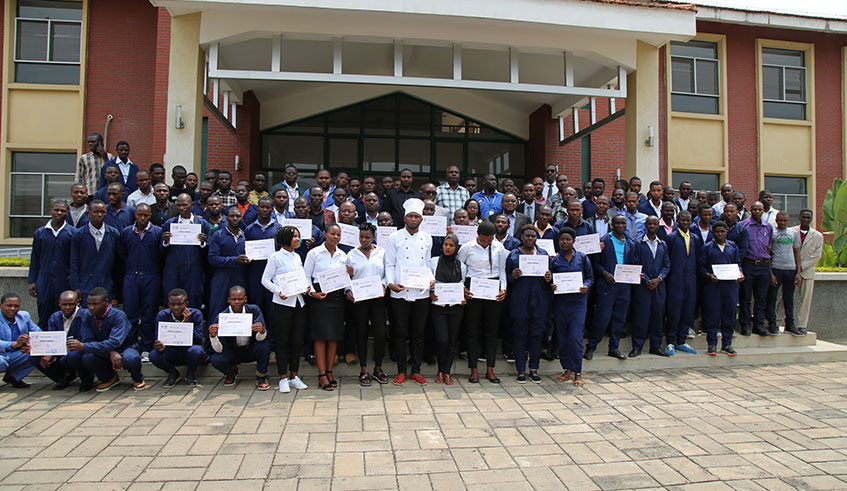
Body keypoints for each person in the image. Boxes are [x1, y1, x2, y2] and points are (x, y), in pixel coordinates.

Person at [384, 199, 433, 386]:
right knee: (400, 332)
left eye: (416, 217)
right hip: (400, 292)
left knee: (418, 333)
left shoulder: (427, 238)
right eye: (410, 216)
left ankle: (416, 370)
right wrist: (390, 283)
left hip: (421, 293)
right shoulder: (394, 237)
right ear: (404, 218)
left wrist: (431, 279)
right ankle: (401, 370)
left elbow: (427, 264)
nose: (413, 219)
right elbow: (389, 264)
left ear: (421, 219)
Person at [65, 288, 145, 391]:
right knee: (87, 357)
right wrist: (109, 352)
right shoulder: (87, 316)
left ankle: (138, 379)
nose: (91, 307)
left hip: (123, 348)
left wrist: (84, 346)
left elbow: (115, 342)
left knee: (131, 359)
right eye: (89, 304)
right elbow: (88, 339)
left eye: (95, 304)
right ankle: (109, 378)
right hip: (101, 349)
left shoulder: (118, 316)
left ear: (106, 302)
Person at [261, 226, 310, 393]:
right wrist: (278, 291)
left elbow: (301, 277)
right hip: (282, 305)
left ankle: (294, 376)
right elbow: (265, 280)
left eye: (299, 236)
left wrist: (306, 287)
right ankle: (283, 377)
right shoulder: (275, 257)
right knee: (282, 342)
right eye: (294, 236)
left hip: (298, 303)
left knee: (297, 341)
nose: (298, 239)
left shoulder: (297, 256)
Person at [458, 220, 507, 384]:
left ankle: (490, 369)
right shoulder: (467, 248)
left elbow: (502, 270)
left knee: (491, 331)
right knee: (472, 330)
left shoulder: (499, 248)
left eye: (489, 240)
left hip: (492, 287)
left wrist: (503, 288)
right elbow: (460, 270)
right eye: (483, 240)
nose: (486, 243)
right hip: (473, 288)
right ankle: (473, 369)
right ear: (477, 235)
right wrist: (462, 288)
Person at [304, 223, 349, 391]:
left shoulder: (343, 255)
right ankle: (322, 374)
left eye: (338, 235)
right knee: (321, 337)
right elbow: (306, 276)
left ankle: (330, 371)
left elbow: (345, 280)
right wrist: (312, 293)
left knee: (333, 337)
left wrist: (348, 289)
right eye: (332, 234)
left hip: (337, 299)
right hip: (320, 298)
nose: (335, 237)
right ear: (325, 234)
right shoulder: (314, 253)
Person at [505, 224, 552, 383]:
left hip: (539, 300)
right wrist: (513, 276)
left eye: (533, 236)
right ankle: (520, 369)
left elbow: (551, 279)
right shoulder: (513, 255)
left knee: (537, 334)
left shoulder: (543, 254)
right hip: (520, 300)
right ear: (521, 237)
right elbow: (506, 279)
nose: (530, 239)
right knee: (520, 333)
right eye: (527, 236)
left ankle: (534, 369)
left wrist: (549, 277)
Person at [585, 215, 635, 361]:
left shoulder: (630, 243)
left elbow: (633, 263)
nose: (620, 225)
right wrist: (604, 273)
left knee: (619, 318)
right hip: (607, 285)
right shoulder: (604, 241)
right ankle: (591, 347)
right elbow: (595, 263)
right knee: (602, 317)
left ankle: (614, 347)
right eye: (617, 223)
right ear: (612, 224)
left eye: (623, 223)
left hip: (624, 286)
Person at [345, 223, 389, 386]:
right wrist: (348, 290)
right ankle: (363, 369)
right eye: (361, 237)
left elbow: (387, 273)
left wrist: (384, 285)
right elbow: (346, 277)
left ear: (373, 237)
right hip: (359, 300)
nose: (364, 240)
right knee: (361, 333)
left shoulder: (382, 252)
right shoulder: (351, 254)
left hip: (378, 298)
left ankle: (378, 368)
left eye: (367, 237)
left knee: (380, 333)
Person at [118, 204, 163, 359]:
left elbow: (162, 255)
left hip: (151, 276)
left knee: (149, 315)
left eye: (146, 215)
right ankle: (130, 346)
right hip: (131, 276)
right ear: (135, 215)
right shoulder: (126, 232)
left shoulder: (157, 232)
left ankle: (146, 348)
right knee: (130, 314)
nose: (142, 218)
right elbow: (122, 254)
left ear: (150, 215)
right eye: (139, 215)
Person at [550, 227, 593, 387]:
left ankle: (577, 371)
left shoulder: (582, 258)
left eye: (568, 239)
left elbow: (590, 277)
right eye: (562, 239)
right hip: (561, 303)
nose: (565, 242)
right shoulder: (555, 260)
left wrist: (586, 285)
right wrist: (552, 285)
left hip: (578, 304)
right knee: (563, 338)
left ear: (573, 241)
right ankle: (567, 369)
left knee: (575, 338)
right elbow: (550, 279)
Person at [207, 286, 271, 390]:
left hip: (250, 349)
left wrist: (262, 331)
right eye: (233, 299)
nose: (237, 302)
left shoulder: (253, 310)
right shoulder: (223, 317)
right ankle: (231, 372)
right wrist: (213, 336)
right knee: (216, 359)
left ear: (245, 299)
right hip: (232, 351)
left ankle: (261, 376)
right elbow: (219, 350)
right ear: (228, 300)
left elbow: (260, 339)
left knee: (264, 345)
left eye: (240, 299)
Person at [701, 221, 744, 356]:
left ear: (727, 232)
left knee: (729, 314)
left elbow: (737, 263)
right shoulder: (707, 247)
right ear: (713, 233)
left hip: (730, 286)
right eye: (717, 232)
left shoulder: (732, 246)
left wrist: (740, 273)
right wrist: (709, 275)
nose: (720, 234)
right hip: (714, 286)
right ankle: (712, 344)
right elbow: (701, 267)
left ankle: (727, 343)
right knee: (713, 315)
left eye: (722, 232)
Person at [631, 216, 671, 358]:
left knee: (658, 316)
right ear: (646, 225)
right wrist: (647, 280)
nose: (652, 226)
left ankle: (656, 346)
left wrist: (658, 279)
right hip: (643, 287)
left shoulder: (663, 244)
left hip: (659, 286)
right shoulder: (638, 243)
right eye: (650, 224)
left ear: (658, 226)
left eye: (655, 224)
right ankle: (637, 346)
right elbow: (635, 263)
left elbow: (667, 265)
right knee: (641, 316)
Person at [28, 199, 72, 328]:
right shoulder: (40, 233)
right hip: (44, 279)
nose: (59, 213)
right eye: (56, 210)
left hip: (64, 279)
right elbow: (35, 257)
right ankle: (43, 337)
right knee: (44, 310)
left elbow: (76, 261)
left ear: (67, 213)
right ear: (50, 211)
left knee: (63, 313)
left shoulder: (73, 233)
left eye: (62, 211)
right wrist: (32, 281)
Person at [162, 194, 211, 309]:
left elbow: (209, 251)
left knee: (193, 298)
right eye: (179, 205)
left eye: (185, 205)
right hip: (173, 268)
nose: (182, 208)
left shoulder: (202, 224)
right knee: (172, 298)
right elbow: (161, 251)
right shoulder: (169, 224)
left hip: (194, 267)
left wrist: (203, 243)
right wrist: (166, 242)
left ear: (192, 205)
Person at [429, 234, 465, 386]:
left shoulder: (461, 265)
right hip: (438, 307)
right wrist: (431, 292)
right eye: (446, 244)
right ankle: (440, 369)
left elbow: (462, 284)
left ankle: (447, 371)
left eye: (451, 245)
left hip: (456, 307)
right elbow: (429, 281)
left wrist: (463, 296)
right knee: (442, 339)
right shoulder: (434, 261)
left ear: (456, 248)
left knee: (452, 340)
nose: (448, 248)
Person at [151, 289, 205, 388]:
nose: (176, 308)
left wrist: (187, 323)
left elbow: (198, 340)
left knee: (197, 351)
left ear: (186, 303)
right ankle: (173, 373)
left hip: (188, 351)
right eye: (172, 304)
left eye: (180, 304)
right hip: (171, 351)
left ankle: (191, 373)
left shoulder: (196, 314)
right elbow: (157, 338)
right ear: (168, 304)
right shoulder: (162, 315)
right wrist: (158, 345)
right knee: (154, 355)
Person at [70, 201, 119, 306]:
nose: (99, 215)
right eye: (96, 212)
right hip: (85, 284)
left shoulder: (113, 234)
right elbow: (74, 262)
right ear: (89, 213)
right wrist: (76, 287)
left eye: (102, 212)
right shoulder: (79, 234)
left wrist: (116, 287)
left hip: (106, 284)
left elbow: (118, 262)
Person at [31, 290, 81, 389]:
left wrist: (52, 353)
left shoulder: (85, 315)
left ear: (78, 302)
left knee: (74, 356)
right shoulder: (55, 317)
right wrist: (47, 352)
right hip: (59, 350)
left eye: (71, 304)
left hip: (77, 349)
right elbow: (52, 339)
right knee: (34, 357)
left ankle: (86, 379)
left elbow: (85, 339)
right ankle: (62, 377)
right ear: (59, 303)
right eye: (64, 304)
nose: (67, 307)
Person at [664, 210, 698, 355]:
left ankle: (681, 341)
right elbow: (667, 259)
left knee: (687, 311)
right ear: (677, 220)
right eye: (683, 220)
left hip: (690, 280)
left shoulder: (694, 238)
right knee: (674, 311)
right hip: (675, 280)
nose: (685, 223)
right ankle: (670, 341)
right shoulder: (671, 238)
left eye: (688, 220)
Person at [739, 201, 773, 337]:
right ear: (750, 210)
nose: (757, 212)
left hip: (763, 266)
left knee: (761, 297)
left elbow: (769, 247)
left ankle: (758, 325)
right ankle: (745, 325)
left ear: (763, 211)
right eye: (754, 209)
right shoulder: (743, 226)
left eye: (759, 209)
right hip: (748, 264)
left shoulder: (768, 227)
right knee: (745, 297)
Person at [208, 206, 249, 320]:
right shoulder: (218, 235)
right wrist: (234, 260)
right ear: (226, 218)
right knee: (217, 310)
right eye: (232, 216)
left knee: (238, 312)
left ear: (242, 218)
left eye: (238, 216)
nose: (235, 218)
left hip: (239, 278)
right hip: (221, 278)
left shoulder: (245, 236)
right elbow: (212, 259)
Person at [245, 197, 281, 324]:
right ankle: (258, 333)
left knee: (272, 306)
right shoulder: (249, 229)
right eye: (262, 207)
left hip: (272, 273)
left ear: (272, 209)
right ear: (257, 208)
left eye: (268, 207)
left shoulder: (278, 228)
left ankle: (272, 334)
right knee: (256, 303)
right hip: (255, 272)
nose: (265, 210)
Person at [766, 211, 801, 335]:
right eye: (780, 220)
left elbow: (797, 252)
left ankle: (790, 324)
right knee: (772, 298)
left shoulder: (793, 233)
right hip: (776, 269)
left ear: (788, 221)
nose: (782, 222)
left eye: (785, 220)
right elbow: (768, 254)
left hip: (790, 269)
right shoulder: (772, 233)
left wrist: (798, 272)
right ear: (776, 220)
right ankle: (772, 324)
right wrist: (771, 273)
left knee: (788, 299)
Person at [791, 209, 822, 335]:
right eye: (803, 217)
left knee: (805, 300)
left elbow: (817, 256)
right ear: (799, 217)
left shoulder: (818, 236)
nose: (806, 220)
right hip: (790, 270)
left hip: (807, 272)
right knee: (785, 298)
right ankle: (779, 321)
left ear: (811, 219)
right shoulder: (791, 231)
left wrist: (801, 267)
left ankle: (802, 325)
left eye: (808, 218)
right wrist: (794, 267)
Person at [0, 293, 37, 388]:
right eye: (9, 306)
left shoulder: (24, 316)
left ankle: (13, 377)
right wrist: (14, 344)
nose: (13, 309)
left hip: (17, 353)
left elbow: (38, 333)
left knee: (37, 353)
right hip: (2, 354)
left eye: (16, 306)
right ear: (1, 306)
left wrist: (28, 343)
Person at [292, 197, 325, 262]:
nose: (301, 209)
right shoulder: (287, 227)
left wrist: (314, 247)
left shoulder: (316, 231)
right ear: (294, 209)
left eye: (303, 207)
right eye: (298, 207)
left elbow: (322, 250)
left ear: (308, 208)